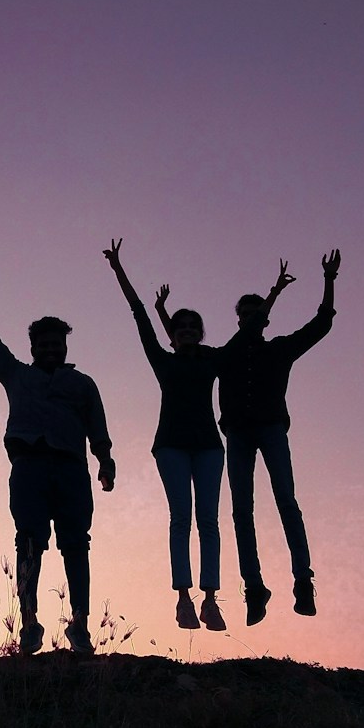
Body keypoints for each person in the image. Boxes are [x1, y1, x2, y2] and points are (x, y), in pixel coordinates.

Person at [0, 273, 115, 655]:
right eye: (44, 344)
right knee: (29, 543)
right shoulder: (17, 374)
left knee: (76, 544)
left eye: (57, 344)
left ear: (65, 346)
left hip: (71, 469)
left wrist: (105, 460)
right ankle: (29, 621)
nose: (51, 349)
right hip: (29, 467)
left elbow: (97, 427)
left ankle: (79, 623)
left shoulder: (82, 384)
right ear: (33, 346)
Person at [102, 238, 227, 631]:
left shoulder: (212, 360)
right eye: (181, 327)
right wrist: (120, 270)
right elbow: (138, 315)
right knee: (181, 519)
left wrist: (273, 295)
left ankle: (210, 600)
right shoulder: (163, 360)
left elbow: (246, 338)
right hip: (171, 445)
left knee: (209, 520)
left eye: (194, 327)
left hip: (208, 446)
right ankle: (183, 599)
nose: (188, 331)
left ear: (200, 334)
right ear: (172, 335)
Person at [216, 250, 341, 624]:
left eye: (257, 314)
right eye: (246, 314)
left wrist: (329, 281)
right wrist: (275, 292)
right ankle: (254, 587)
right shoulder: (229, 353)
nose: (252, 319)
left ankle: (303, 580)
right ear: (239, 319)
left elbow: (321, 325)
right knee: (242, 512)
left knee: (286, 501)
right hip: (238, 433)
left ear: (265, 319)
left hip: (270, 430)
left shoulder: (279, 350)